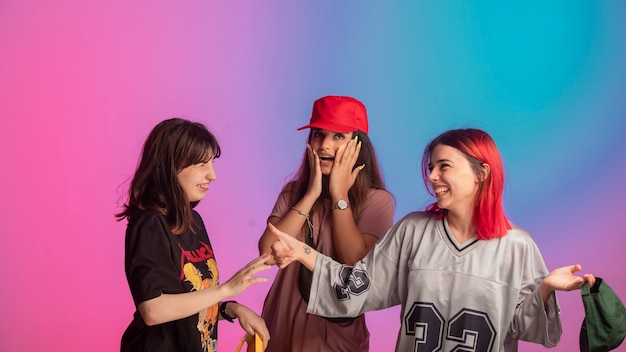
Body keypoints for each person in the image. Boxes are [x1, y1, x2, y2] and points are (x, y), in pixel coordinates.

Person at [269, 128, 596, 351]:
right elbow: (360, 286)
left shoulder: (517, 246)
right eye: (430, 167)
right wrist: (301, 251)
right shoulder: (413, 231)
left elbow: (524, 325)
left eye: (444, 167)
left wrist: (546, 287)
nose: (432, 176)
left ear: (481, 173)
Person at [117, 118, 271, 352]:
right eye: (201, 164)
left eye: (212, 163)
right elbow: (153, 310)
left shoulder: (193, 221)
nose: (213, 175)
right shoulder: (149, 224)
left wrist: (231, 309)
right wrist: (227, 289)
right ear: (170, 167)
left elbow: (191, 300)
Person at [258, 96, 395, 351]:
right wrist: (310, 194)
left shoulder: (377, 201)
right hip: (279, 331)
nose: (324, 145)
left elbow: (356, 263)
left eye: (338, 137)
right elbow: (267, 254)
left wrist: (339, 195)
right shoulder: (293, 194)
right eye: (318, 135)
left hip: (334, 339)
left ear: (358, 145)